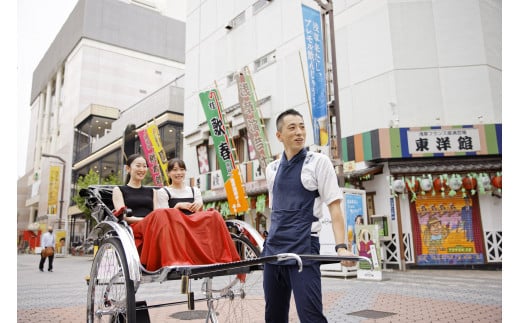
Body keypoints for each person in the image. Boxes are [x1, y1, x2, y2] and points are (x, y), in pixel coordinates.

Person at [262, 108, 356, 323]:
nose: (299, 132)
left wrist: (340, 246)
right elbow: (275, 210)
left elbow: (334, 206)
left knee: (311, 316)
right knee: (273, 316)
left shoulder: (318, 162)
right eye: (292, 128)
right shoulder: (272, 169)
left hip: (304, 248)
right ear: (279, 136)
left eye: (302, 127)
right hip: (274, 249)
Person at [113, 154, 241, 272]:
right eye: (138, 166)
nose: (142, 169)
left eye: (144, 166)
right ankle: (172, 260)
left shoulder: (152, 191)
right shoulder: (119, 190)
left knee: (212, 214)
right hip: (135, 225)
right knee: (165, 213)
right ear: (128, 169)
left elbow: (158, 211)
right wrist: (149, 219)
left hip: (153, 224)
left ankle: (220, 255)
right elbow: (123, 216)